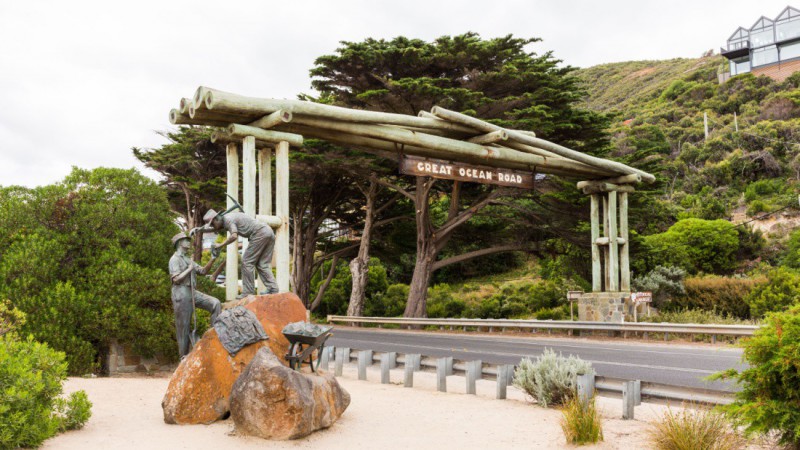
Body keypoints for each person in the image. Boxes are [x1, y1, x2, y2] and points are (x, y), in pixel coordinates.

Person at [203, 209, 278, 297]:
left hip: (259, 234)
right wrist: (198, 229)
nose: (214, 227)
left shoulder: (227, 220)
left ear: (216, 219)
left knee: (246, 262)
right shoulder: (228, 217)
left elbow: (234, 236)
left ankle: (248, 292)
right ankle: (273, 288)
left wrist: (221, 245)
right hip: (268, 231)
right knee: (262, 264)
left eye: (212, 224)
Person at [168, 232, 221, 358]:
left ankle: (214, 336)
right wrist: (189, 269)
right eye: (186, 240)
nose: (189, 242)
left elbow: (203, 271)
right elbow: (176, 279)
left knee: (215, 303)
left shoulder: (187, 259)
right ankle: (183, 358)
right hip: (180, 292)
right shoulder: (174, 259)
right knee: (183, 328)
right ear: (179, 243)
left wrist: (213, 258)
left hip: (192, 291)